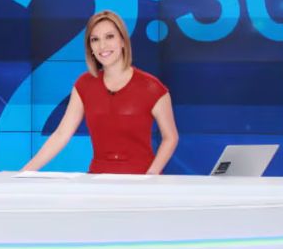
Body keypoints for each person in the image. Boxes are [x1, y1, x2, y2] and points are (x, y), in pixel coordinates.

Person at [21, 10, 178, 175]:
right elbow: (61, 134)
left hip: (142, 181)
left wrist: (150, 176)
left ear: (123, 41)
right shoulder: (84, 85)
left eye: (109, 37)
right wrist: (25, 172)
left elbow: (170, 137)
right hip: (97, 181)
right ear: (90, 47)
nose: (102, 46)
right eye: (95, 39)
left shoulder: (151, 87)